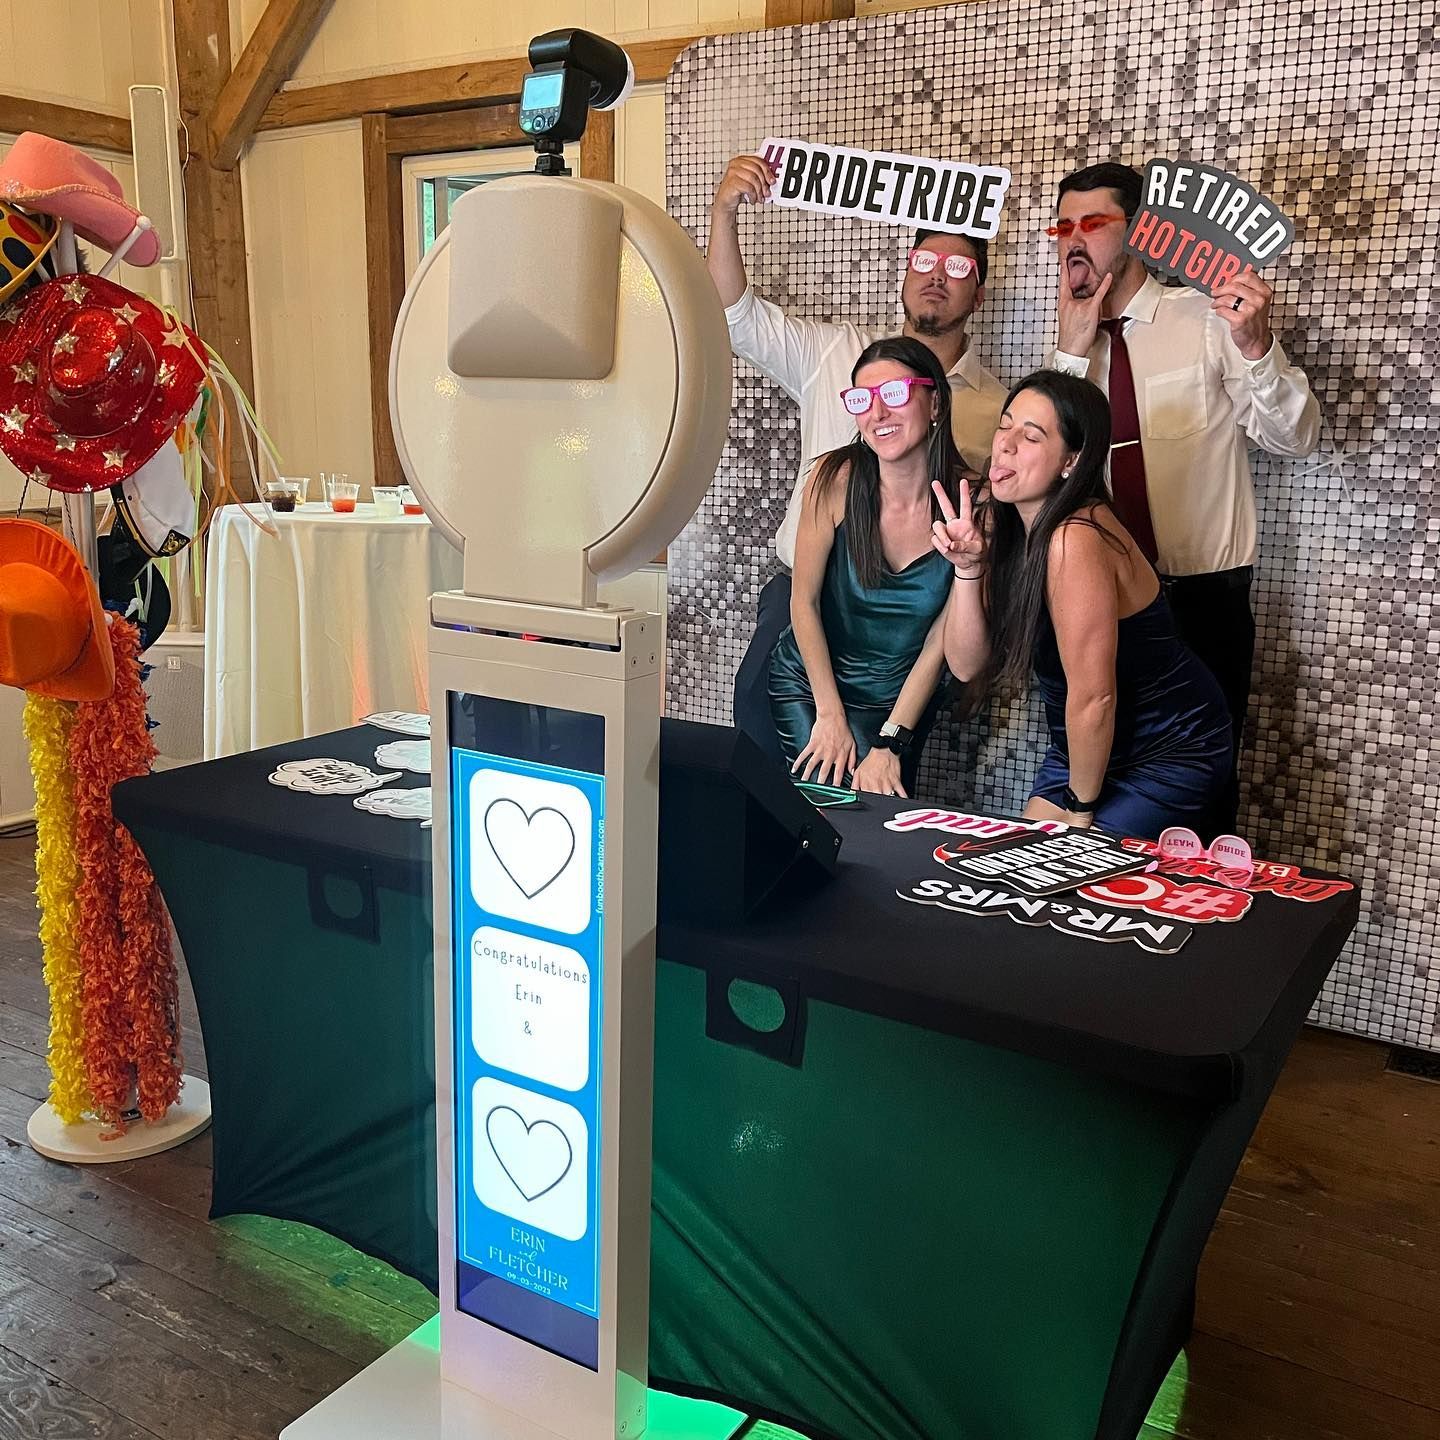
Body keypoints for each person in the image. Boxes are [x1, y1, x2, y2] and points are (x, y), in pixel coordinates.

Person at [707, 151, 1007, 763]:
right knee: (762, 773)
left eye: (957, 267)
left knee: (875, 788)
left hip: (909, 635)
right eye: (924, 262)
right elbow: (734, 319)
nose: (936, 277)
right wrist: (724, 212)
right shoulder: (833, 351)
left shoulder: (998, 407)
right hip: (804, 600)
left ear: (978, 293)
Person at [1046, 162, 1320, 811]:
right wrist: (1068, 357)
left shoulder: (1206, 319)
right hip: (1101, 602)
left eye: (1093, 223)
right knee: (1096, 778)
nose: (1074, 240)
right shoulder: (1066, 341)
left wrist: (1256, 347)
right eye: (1063, 227)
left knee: (1201, 791)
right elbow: (1048, 471)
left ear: (1140, 228)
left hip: (1203, 603)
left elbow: (1295, 439)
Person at [933, 370, 1232, 840]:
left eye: (1031, 436)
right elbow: (966, 665)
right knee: (1020, 865)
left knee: (1068, 867)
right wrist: (968, 569)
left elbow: (1096, 697)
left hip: (1169, 747)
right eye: (1004, 426)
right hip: (1083, 745)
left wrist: (1079, 812)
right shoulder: (1004, 521)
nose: (1005, 445)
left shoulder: (1075, 537)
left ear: (1071, 460)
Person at [769, 337, 967, 798]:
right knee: (840, 813)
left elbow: (941, 640)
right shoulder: (834, 479)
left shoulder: (968, 506)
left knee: (885, 818)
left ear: (935, 402)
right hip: (814, 687)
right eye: (862, 399)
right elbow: (803, 602)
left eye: (894, 393)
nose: (878, 413)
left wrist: (892, 738)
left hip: (902, 702)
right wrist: (830, 715)